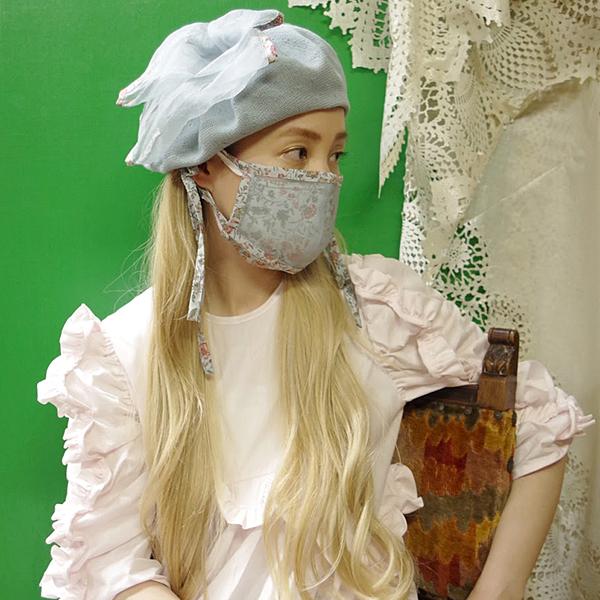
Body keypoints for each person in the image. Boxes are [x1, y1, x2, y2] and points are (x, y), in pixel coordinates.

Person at [37, 8, 594, 600]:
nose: (324, 179)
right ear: (204, 165)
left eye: (335, 155)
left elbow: (538, 414)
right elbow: (112, 566)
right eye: (298, 153)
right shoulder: (125, 355)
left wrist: (498, 591)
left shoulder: (372, 310)